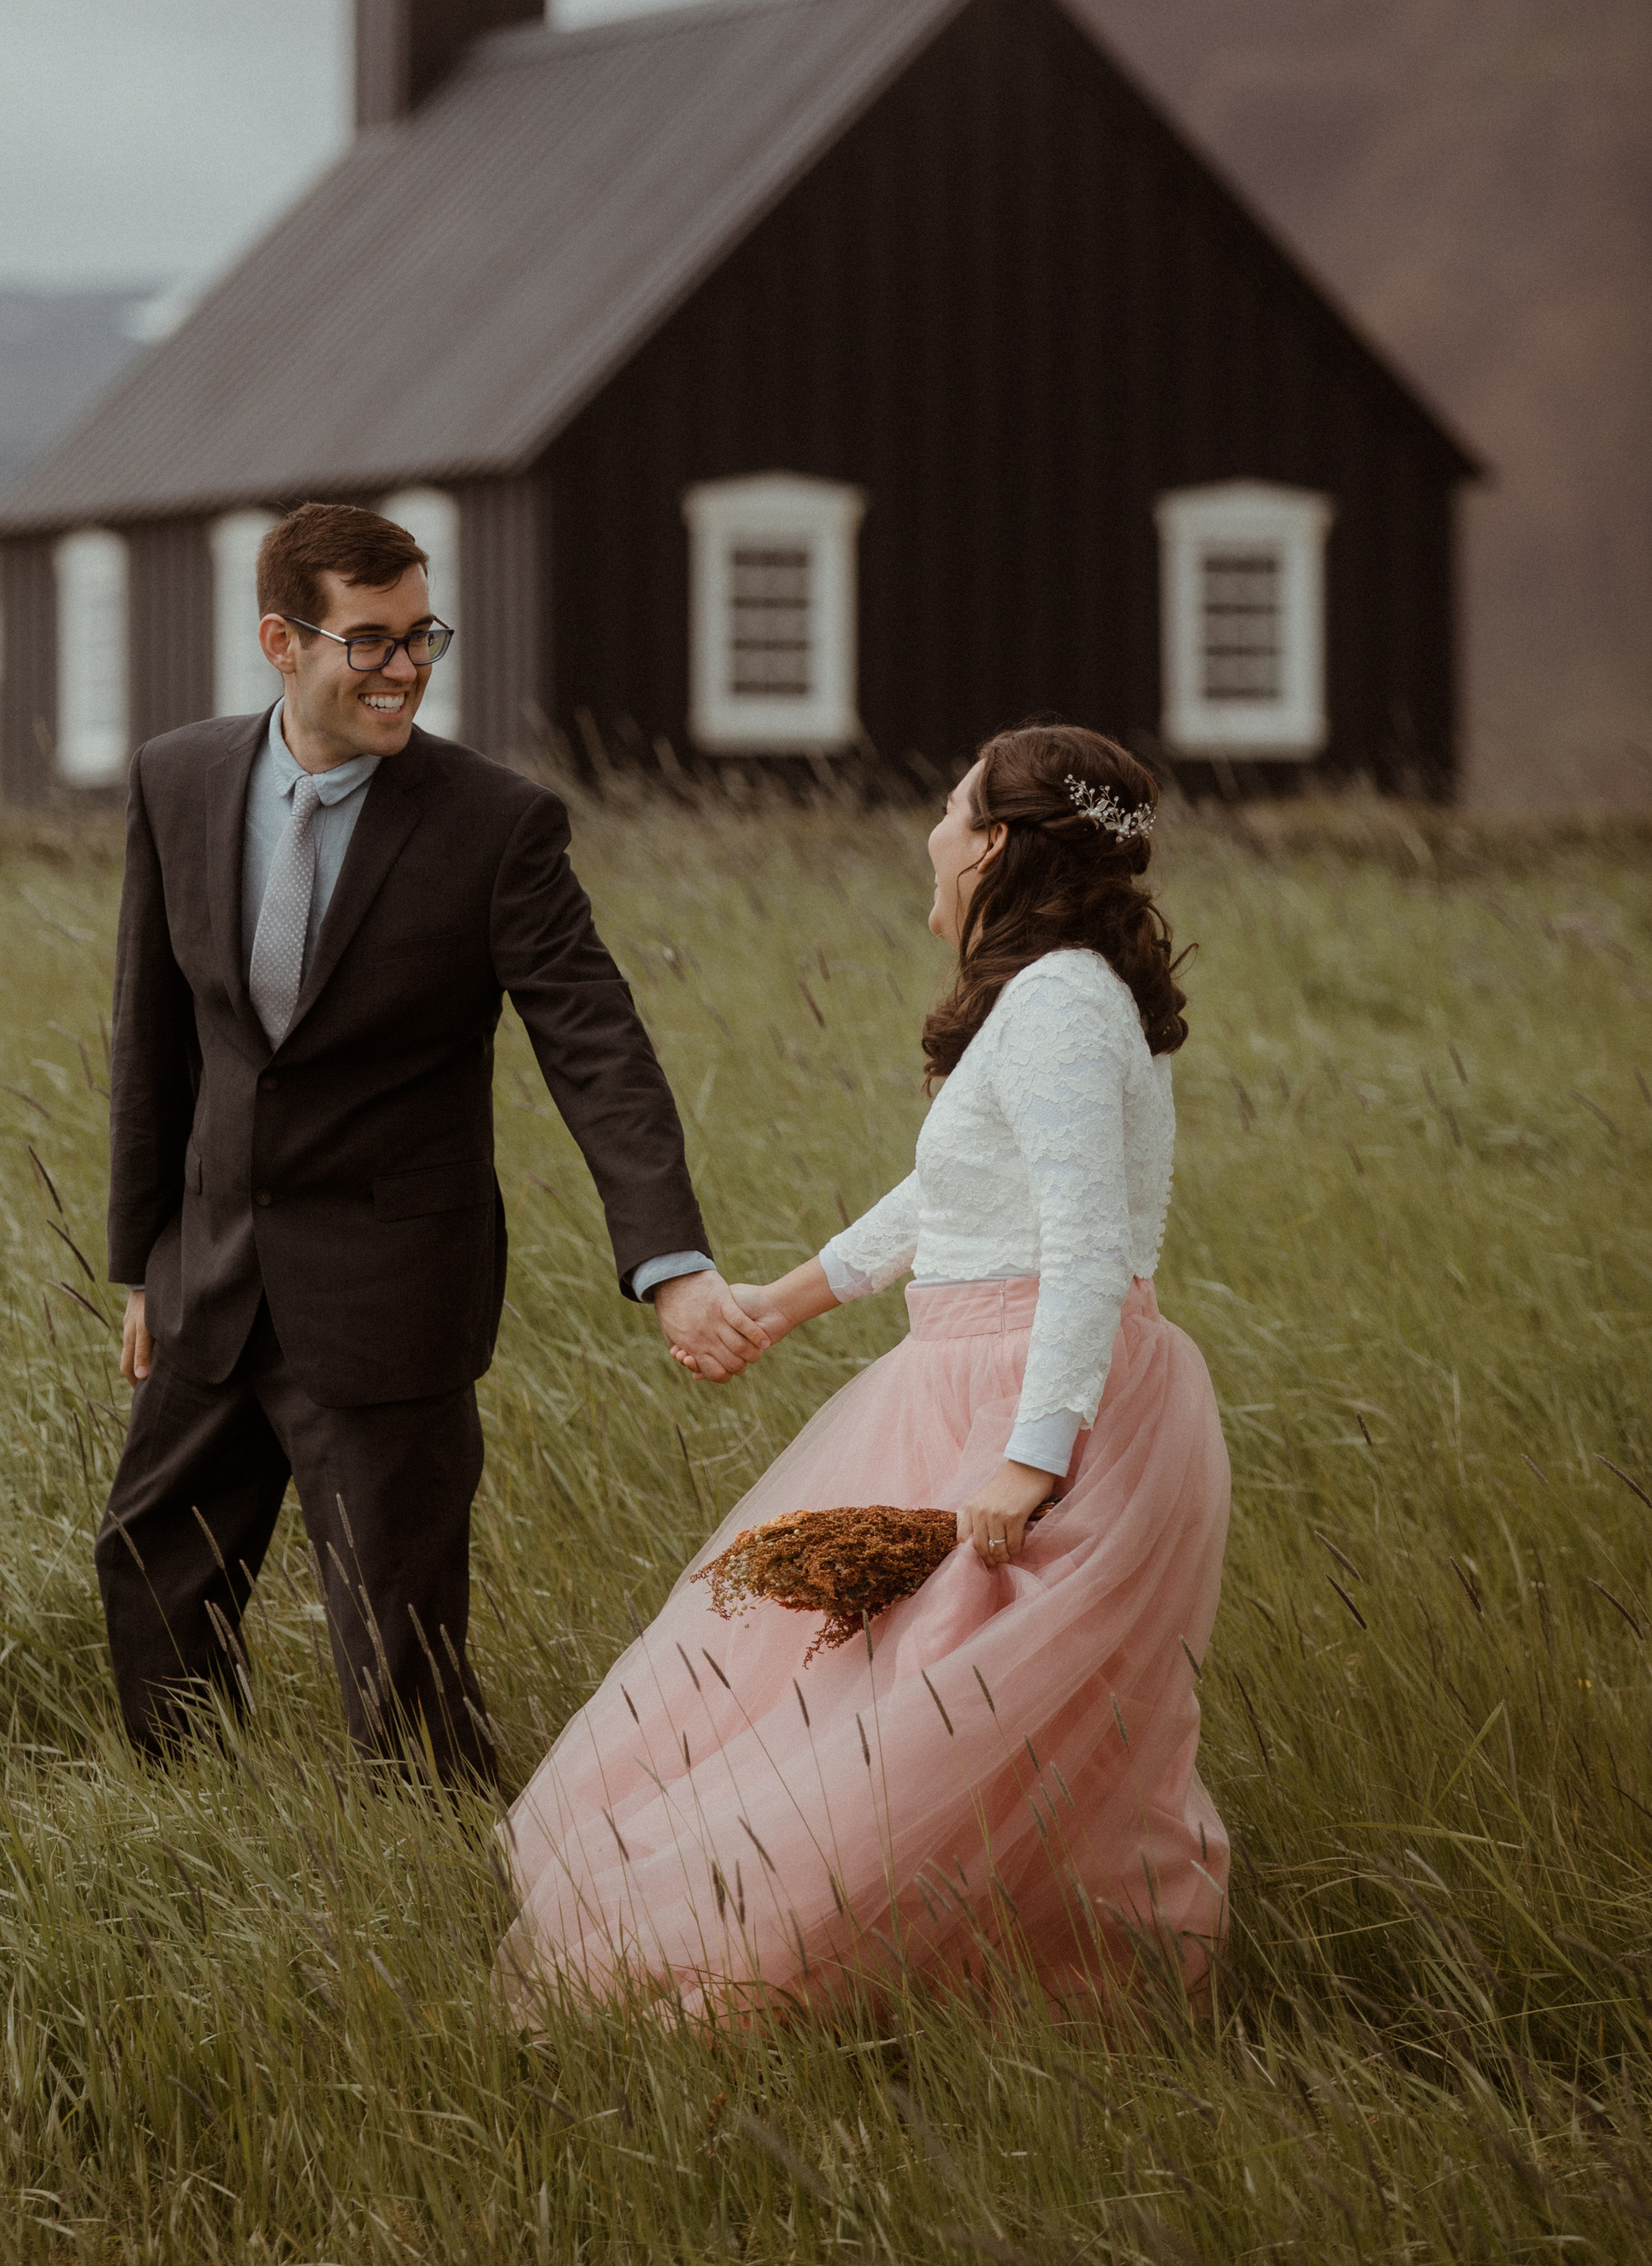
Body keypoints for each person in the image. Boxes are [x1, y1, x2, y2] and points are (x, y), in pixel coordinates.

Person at [498, 723, 1232, 2019]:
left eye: (951, 811)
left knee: (933, 1722)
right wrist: (786, 1302)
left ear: (996, 845)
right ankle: (954, 1982)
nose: (931, 837)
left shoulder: (1060, 1004)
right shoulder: (1050, 993)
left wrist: (1031, 1451)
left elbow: (1083, 1246)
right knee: (906, 1709)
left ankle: (834, 1976)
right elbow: (949, 1198)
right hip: (970, 1372)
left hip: (1023, 1396)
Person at [96, 500, 767, 1781]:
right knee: (146, 1567)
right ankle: (191, 1827)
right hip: (214, 1276)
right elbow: (156, 1033)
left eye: (422, 635)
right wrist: (147, 1260)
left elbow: (596, 1043)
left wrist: (669, 1262)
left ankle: (450, 1859)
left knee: (397, 1648)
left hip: (389, 1295)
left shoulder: (495, 826)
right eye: (371, 640)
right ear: (280, 641)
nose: (405, 668)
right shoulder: (176, 780)